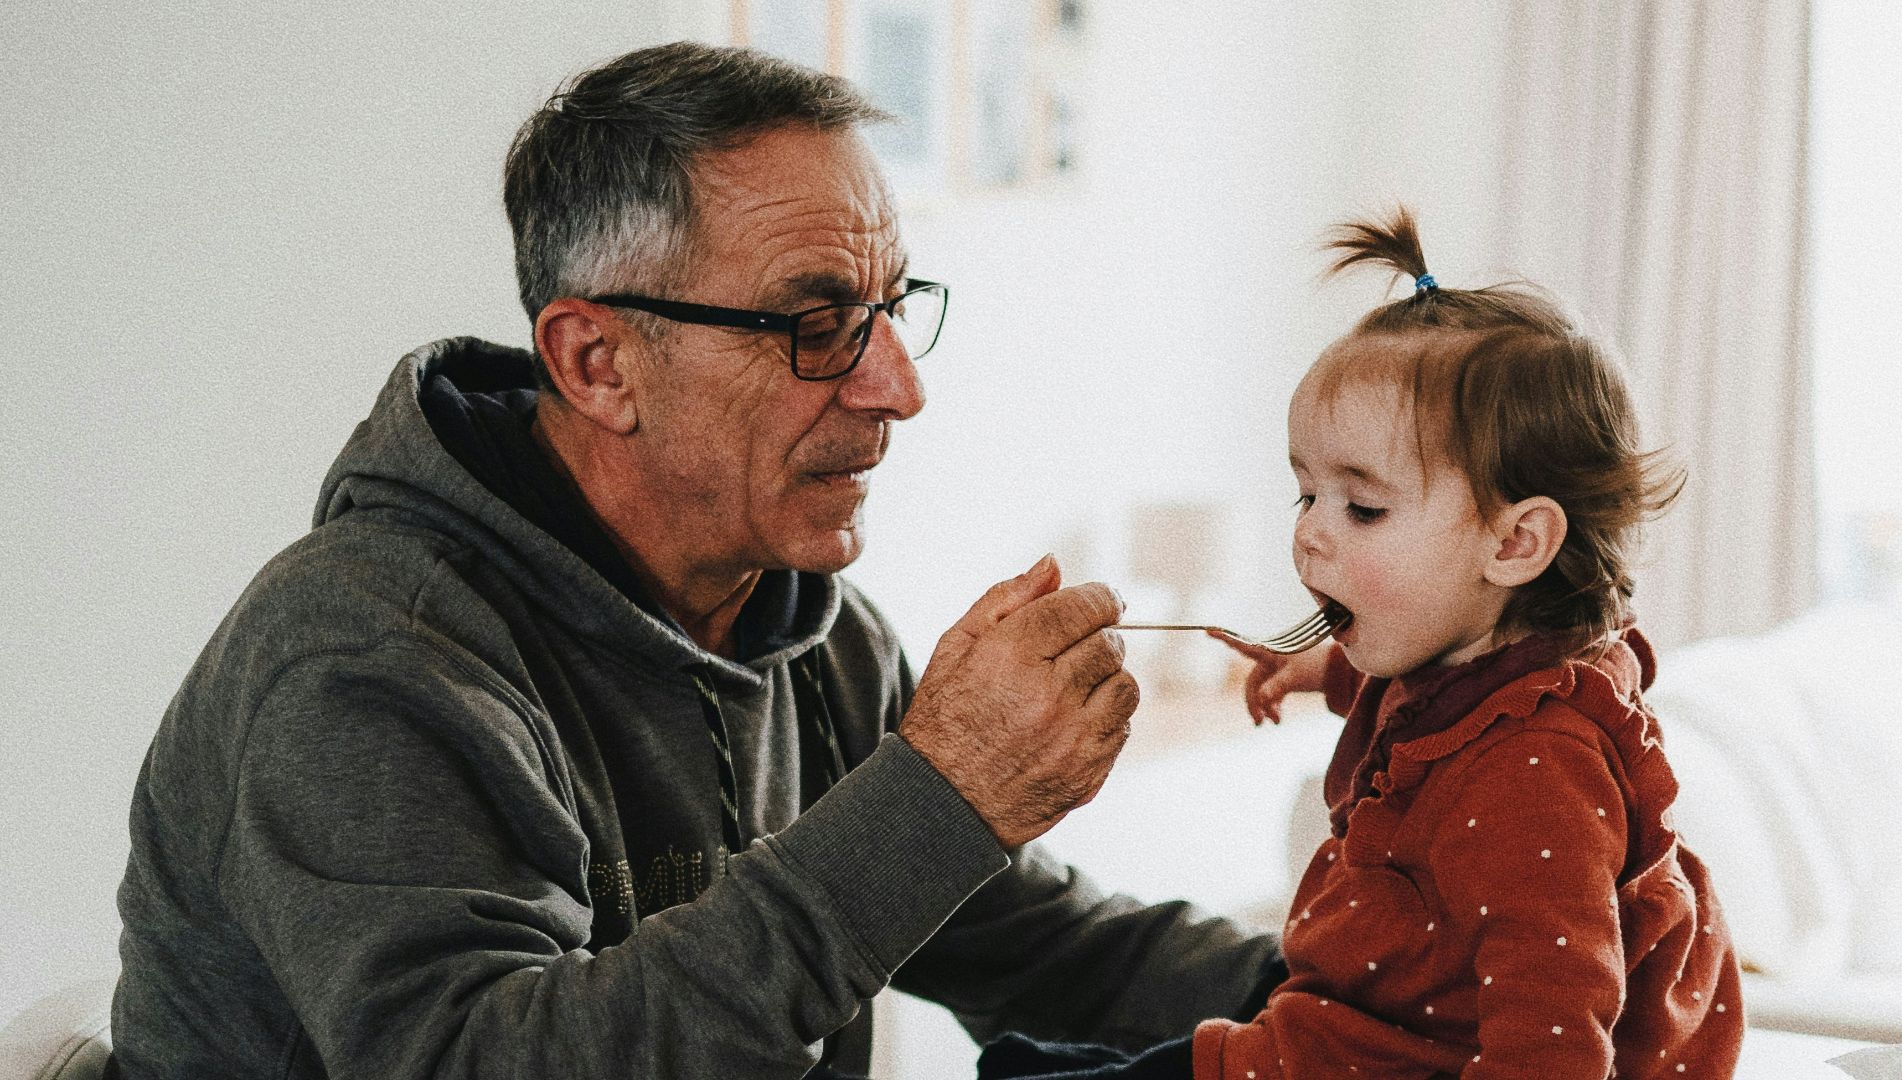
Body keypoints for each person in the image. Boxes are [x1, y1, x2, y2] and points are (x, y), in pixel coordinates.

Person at [106, 42, 1282, 1079]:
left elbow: (1032, 946)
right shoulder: (360, 656)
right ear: (598, 363)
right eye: (815, 325)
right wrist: (938, 801)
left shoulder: (813, 629)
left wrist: (1377, 997)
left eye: (891, 306)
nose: (899, 390)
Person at [976, 208, 1744, 1079]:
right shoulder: (1477, 654)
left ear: (1515, 542)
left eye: (1363, 507)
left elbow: (1557, 1037)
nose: (1310, 534)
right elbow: (1438, 698)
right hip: (1358, 1029)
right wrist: (1323, 668)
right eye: (1305, 495)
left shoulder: (1538, 772)